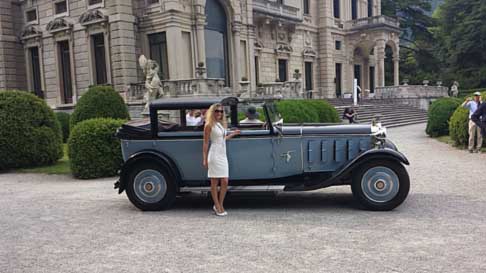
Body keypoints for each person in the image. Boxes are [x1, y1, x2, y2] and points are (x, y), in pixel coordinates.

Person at [202, 104, 240, 216]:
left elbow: (221, 139)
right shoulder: (209, 125)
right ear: (212, 112)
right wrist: (204, 159)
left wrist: (232, 134)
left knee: (225, 181)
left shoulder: (220, 124)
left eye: (221, 111)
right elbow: (205, 142)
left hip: (223, 154)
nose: (219, 113)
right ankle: (217, 205)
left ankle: (220, 203)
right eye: (217, 111)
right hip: (214, 154)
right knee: (214, 182)